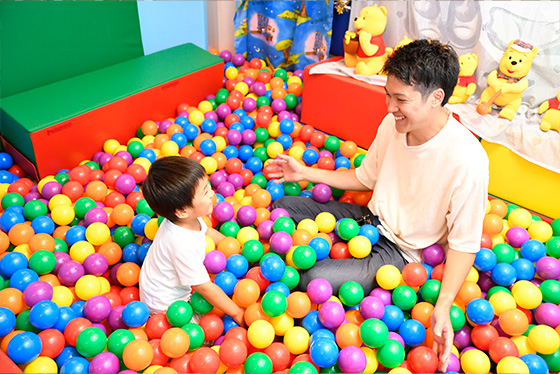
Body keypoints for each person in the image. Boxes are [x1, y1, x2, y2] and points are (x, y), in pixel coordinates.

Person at [268, 39, 489, 372]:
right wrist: (305, 173)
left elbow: (464, 243)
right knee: (283, 205)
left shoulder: (468, 159)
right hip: (367, 220)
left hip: (399, 252)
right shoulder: (395, 124)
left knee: (310, 279)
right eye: (388, 95)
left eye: (400, 99)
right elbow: (365, 177)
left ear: (436, 98)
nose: (389, 107)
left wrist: (443, 305)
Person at [139, 156, 245, 326]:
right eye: (204, 192)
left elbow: (207, 231)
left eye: (208, 186)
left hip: (165, 287)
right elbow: (204, 287)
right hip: (166, 307)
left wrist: (237, 249)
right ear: (181, 210)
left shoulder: (186, 219)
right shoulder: (181, 244)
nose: (212, 193)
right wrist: (236, 311)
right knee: (206, 330)